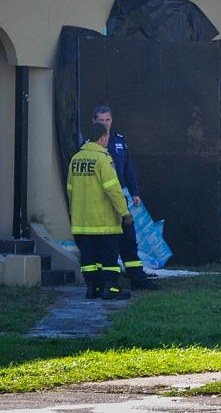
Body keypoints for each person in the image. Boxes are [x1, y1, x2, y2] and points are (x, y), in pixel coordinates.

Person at [92, 106, 158, 290]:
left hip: (122, 195)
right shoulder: (89, 146)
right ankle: (104, 281)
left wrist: (134, 192)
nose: (104, 124)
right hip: (102, 199)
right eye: (100, 121)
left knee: (129, 237)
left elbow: (128, 168)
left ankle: (136, 277)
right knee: (106, 241)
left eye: (107, 120)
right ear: (94, 122)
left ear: (112, 121)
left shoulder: (119, 141)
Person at [67, 123, 132, 300]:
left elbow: (70, 189)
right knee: (108, 257)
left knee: (89, 258)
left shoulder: (76, 159)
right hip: (104, 222)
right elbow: (113, 190)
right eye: (107, 138)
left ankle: (92, 288)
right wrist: (124, 213)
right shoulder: (104, 159)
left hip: (82, 222)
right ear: (103, 138)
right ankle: (110, 289)